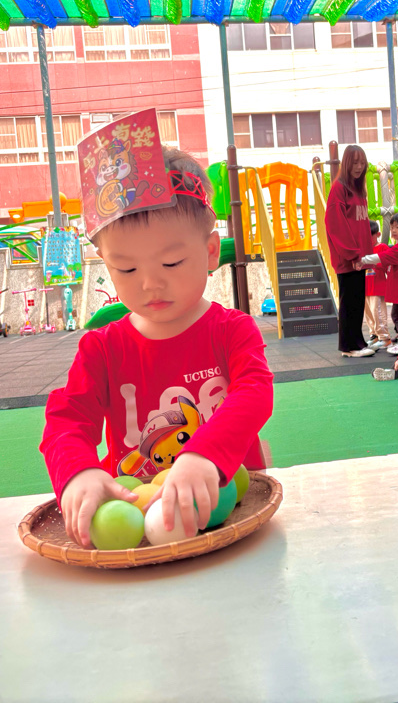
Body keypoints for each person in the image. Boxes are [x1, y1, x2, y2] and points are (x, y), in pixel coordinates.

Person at [41, 116, 273, 547]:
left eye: (171, 263)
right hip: (140, 527)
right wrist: (78, 472)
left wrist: (204, 455)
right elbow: (66, 420)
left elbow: (254, 392)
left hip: (233, 520)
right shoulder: (102, 348)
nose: (150, 284)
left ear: (210, 251)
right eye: (126, 268)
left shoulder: (232, 330)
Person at [324, 144, 376, 357]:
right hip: (348, 257)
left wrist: (365, 255)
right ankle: (348, 346)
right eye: (355, 163)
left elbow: (361, 225)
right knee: (349, 301)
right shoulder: (339, 188)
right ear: (346, 163)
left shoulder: (357, 189)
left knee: (357, 300)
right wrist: (353, 254)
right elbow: (335, 224)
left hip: (358, 257)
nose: (359, 167)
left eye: (362, 163)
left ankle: (358, 342)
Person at [362, 212, 398, 354]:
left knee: (396, 315)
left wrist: (361, 260)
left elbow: (382, 257)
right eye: (392, 227)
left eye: (397, 227)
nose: (393, 230)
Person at [363, 220, 392, 347]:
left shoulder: (382, 248)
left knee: (378, 313)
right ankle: (374, 335)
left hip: (377, 287)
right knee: (369, 314)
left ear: (378, 234)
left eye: (369, 236)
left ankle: (384, 337)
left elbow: (388, 265)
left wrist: (374, 263)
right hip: (365, 288)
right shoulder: (363, 249)